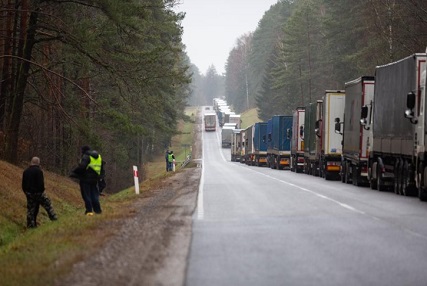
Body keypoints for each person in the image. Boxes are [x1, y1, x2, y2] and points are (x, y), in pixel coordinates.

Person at [22, 157, 57, 228]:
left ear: (31, 162)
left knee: (31, 210)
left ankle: (30, 225)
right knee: (48, 205)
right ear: (38, 163)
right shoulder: (39, 171)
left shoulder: (26, 171)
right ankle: (54, 219)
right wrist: (41, 191)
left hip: (29, 193)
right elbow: (41, 184)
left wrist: (26, 193)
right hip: (38, 193)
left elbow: (23, 184)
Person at [72, 145, 105, 216]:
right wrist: (101, 178)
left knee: (86, 195)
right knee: (94, 195)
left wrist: (74, 173)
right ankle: (98, 210)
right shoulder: (98, 157)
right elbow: (102, 168)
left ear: (83, 151)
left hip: (85, 179)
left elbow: (82, 167)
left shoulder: (86, 156)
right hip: (95, 179)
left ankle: (89, 211)